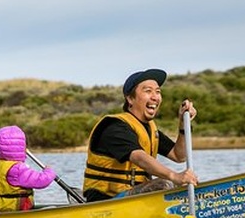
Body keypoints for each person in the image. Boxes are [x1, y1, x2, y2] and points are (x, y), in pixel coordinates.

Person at [82, 68, 199, 202]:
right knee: (164, 184)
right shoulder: (114, 127)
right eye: (148, 91)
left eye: (158, 92)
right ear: (130, 98)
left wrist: (183, 125)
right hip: (106, 200)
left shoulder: (148, 129)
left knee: (179, 184)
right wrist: (173, 176)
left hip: (132, 196)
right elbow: (139, 157)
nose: (155, 97)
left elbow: (179, 156)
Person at [0, 125, 56, 212]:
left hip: (0, 207)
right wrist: (49, 172)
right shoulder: (17, 169)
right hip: (14, 209)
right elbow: (41, 181)